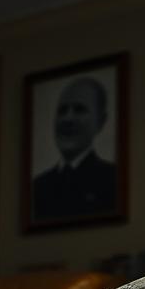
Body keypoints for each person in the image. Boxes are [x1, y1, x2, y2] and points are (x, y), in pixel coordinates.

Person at [32, 75, 116, 221]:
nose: (67, 119)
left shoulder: (113, 180)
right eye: (62, 111)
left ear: (101, 121)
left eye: (79, 110)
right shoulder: (37, 187)